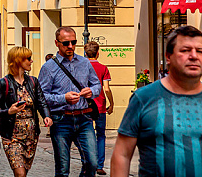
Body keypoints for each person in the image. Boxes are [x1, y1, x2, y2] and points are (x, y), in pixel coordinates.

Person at [111, 25, 202, 177]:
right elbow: (122, 154)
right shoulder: (144, 98)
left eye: (200, 51)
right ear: (168, 57)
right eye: (185, 50)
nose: (194, 56)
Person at [38, 27, 101, 177]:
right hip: (61, 119)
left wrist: (91, 91)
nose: (71, 46)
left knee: (92, 163)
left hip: (84, 118)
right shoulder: (49, 67)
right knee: (62, 168)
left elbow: (97, 85)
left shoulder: (84, 62)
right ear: (57, 43)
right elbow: (41, 96)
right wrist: (63, 98)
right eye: (66, 43)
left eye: (74, 42)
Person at [0, 46, 52, 177]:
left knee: (24, 172)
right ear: (18, 61)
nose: (31, 61)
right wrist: (8, 111)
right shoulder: (3, 83)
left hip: (31, 136)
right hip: (11, 136)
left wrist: (46, 116)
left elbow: (41, 102)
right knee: (20, 173)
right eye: (28, 59)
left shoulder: (33, 81)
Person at [84, 41, 113, 175]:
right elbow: (106, 88)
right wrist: (111, 103)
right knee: (100, 135)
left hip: (85, 106)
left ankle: (89, 163)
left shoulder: (82, 67)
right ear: (98, 53)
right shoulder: (103, 68)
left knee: (86, 136)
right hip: (100, 106)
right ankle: (100, 165)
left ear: (85, 53)